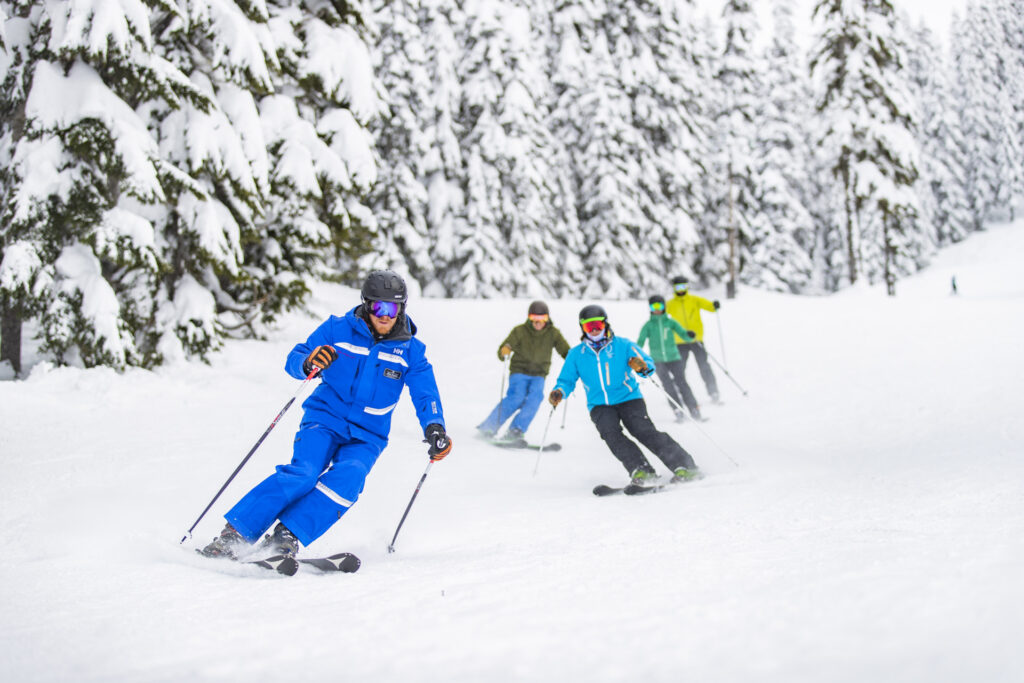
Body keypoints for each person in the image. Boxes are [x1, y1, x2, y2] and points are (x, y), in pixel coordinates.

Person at [200, 270, 452, 560]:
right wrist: (309, 362)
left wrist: (435, 428)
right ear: (366, 305)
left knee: (350, 477)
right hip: (324, 419)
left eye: (392, 308)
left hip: (368, 435)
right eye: (378, 307)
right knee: (304, 474)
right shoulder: (337, 330)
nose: (385, 315)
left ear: (402, 308)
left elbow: (426, 393)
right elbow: (296, 358)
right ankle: (235, 534)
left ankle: (287, 535)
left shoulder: (411, 351)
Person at [548, 304, 700, 485]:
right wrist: (559, 392)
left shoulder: (623, 345)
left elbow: (648, 364)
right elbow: (566, 380)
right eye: (590, 326)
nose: (595, 330)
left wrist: (641, 366)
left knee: (642, 431)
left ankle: (685, 465)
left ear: (605, 324)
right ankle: (641, 469)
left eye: (598, 325)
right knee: (611, 436)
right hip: (599, 404)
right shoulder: (576, 354)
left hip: (629, 398)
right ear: (583, 328)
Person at [477, 301, 570, 441]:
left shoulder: (553, 333)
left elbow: (565, 351)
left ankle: (516, 430)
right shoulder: (519, 331)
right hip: (519, 371)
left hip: (539, 374)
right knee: (516, 397)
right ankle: (488, 427)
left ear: (547, 318)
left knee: (535, 398)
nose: (538, 323)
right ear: (529, 318)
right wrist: (505, 350)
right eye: (534, 319)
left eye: (542, 319)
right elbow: (505, 347)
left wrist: (573, 360)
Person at [637, 295, 704, 422]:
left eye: (659, 306)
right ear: (650, 308)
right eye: (654, 306)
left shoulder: (670, 322)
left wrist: (689, 336)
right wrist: (636, 357)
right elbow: (639, 342)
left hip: (674, 357)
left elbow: (683, 334)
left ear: (664, 307)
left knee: (682, 382)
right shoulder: (648, 325)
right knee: (668, 386)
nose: (657, 309)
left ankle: (694, 409)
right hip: (658, 360)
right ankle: (678, 410)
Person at [666, 276, 721, 403]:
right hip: (679, 341)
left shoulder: (694, 300)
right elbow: (660, 316)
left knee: (704, 366)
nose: (680, 290)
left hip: (696, 340)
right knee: (679, 368)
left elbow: (710, 307)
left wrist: (714, 305)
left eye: (683, 286)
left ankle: (713, 391)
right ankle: (678, 392)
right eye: (677, 287)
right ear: (674, 288)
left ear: (687, 287)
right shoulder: (670, 304)